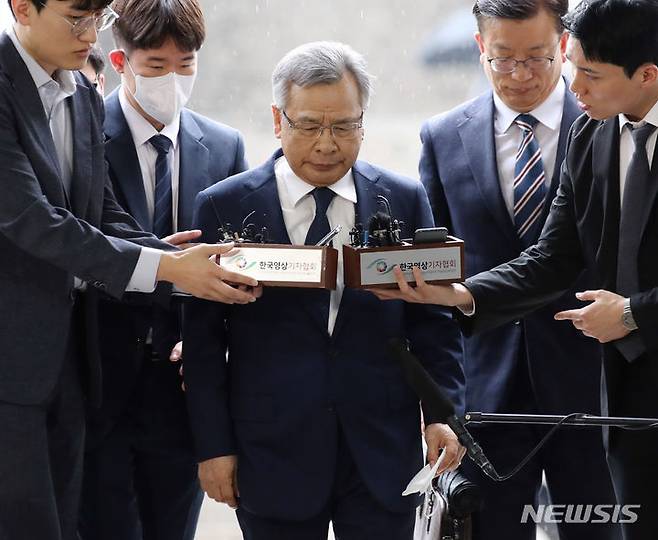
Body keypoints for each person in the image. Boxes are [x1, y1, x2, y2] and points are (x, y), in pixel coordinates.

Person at [375, 1, 658, 538]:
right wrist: (460, 295)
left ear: (646, 74)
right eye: (505, 58)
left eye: (587, 73)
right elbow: (552, 258)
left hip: (615, 386)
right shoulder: (593, 135)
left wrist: (632, 314)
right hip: (514, 397)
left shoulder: (584, 122)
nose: (573, 87)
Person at [183, 41, 466, 540]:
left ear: (363, 121)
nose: (327, 144)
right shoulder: (223, 207)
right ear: (278, 119)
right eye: (310, 126)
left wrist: (444, 415)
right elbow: (204, 345)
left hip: (381, 454)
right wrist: (213, 448)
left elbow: (433, 324)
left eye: (343, 126)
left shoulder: (402, 199)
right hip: (270, 453)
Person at [0, 1, 259, 539]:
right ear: (22, 8)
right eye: (76, 17)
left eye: (98, 17)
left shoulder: (81, 93)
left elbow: (99, 213)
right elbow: (34, 220)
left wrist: (178, 264)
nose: (90, 33)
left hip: (72, 362)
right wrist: (167, 266)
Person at [78, 1, 249, 539]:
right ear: (121, 60)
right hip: (98, 382)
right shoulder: (81, 133)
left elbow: (235, 263)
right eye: (156, 66)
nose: (172, 80)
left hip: (181, 388)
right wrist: (161, 263)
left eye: (186, 65)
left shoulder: (223, 146)